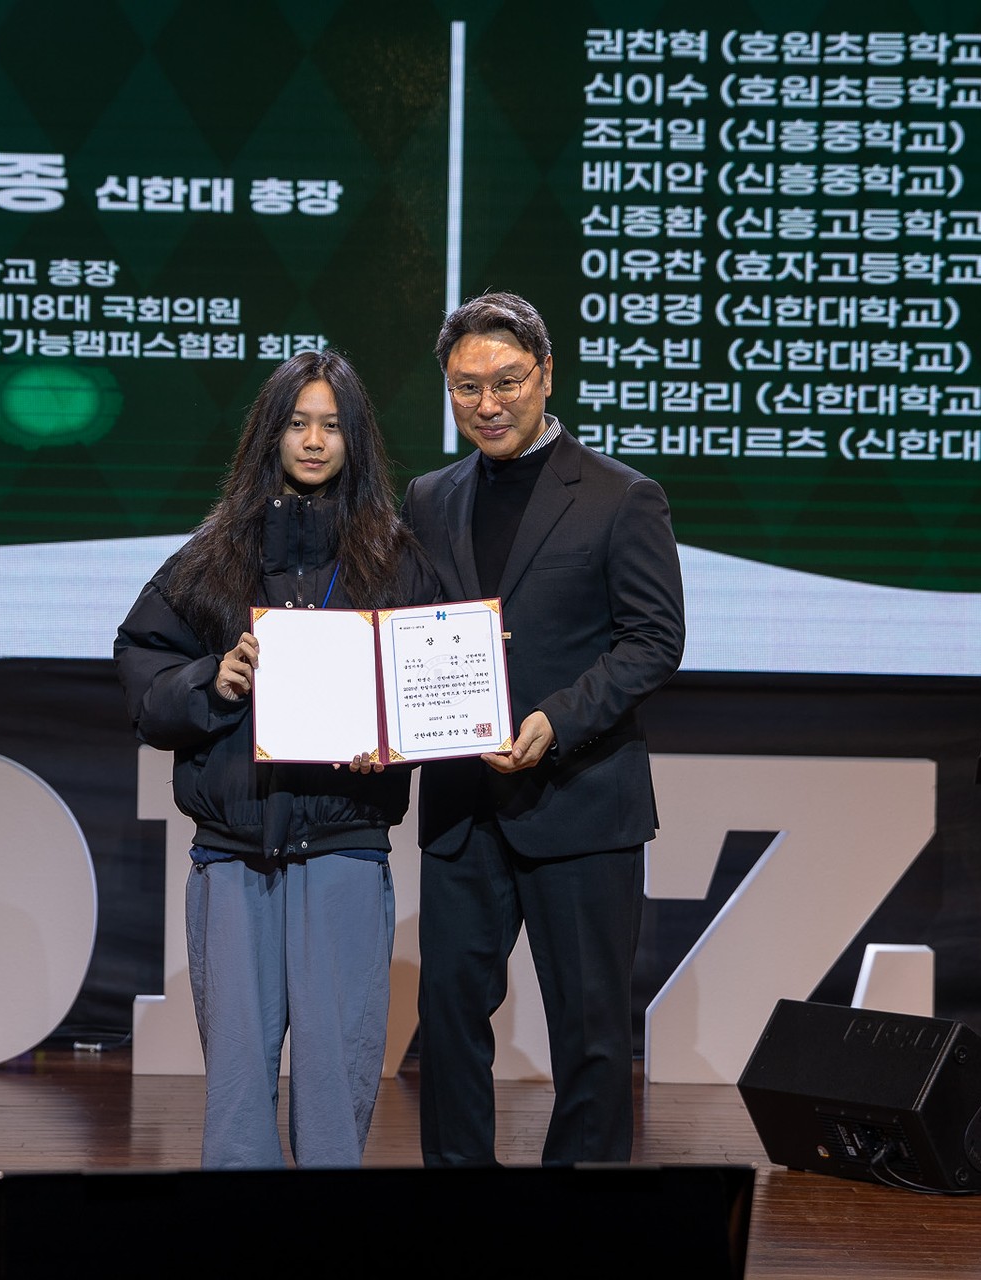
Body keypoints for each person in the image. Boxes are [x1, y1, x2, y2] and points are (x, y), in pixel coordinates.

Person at [115, 349, 435, 1169]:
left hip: (344, 848)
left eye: (332, 425)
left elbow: (430, 692)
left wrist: (390, 746)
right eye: (298, 424)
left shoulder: (395, 561)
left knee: (335, 1090)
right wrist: (212, 681)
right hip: (233, 855)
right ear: (270, 434)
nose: (314, 441)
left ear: (356, 440)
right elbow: (145, 682)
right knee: (235, 1096)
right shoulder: (211, 558)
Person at [405, 291, 685, 1165]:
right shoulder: (428, 498)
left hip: (580, 801)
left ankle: (582, 1217)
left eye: (507, 381)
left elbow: (654, 640)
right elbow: (406, 634)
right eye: (466, 387)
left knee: (591, 1033)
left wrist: (555, 721)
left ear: (546, 375)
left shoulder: (621, 497)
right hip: (462, 806)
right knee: (447, 1020)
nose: (487, 404)